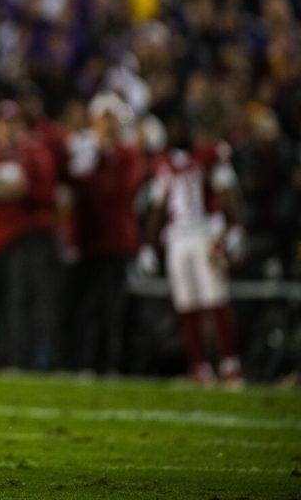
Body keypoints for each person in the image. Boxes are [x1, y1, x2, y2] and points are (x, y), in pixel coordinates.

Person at [143, 115, 245, 385]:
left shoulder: (210, 154)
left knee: (215, 299)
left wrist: (234, 228)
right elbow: (158, 206)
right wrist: (147, 244)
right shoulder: (163, 162)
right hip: (177, 238)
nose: (177, 130)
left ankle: (230, 363)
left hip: (205, 232)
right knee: (186, 303)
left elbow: (228, 192)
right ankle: (199, 366)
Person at [0, 100, 58, 370]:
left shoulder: (33, 153)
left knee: (20, 302)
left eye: (13, 123)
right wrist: (6, 187)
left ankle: (21, 358)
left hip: (21, 238)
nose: (8, 129)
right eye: (3, 123)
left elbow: (31, 190)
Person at [65, 93, 145, 374]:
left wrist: (97, 159)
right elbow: (74, 191)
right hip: (88, 240)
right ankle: (87, 362)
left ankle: (111, 365)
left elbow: (120, 191)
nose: (108, 125)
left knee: (113, 309)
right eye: (104, 118)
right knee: (88, 307)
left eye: (112, 119)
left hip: (117, 240)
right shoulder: (83, 150)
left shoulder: (127, 154)